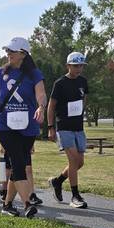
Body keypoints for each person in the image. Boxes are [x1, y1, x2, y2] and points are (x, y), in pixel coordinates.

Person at [0, 37, 46, 218]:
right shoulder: (1, 72)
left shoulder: (34, 74)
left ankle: (7, 205)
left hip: (28, 126)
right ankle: (27, 204)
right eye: (7, 51)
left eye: (12, 51)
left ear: (23, 54)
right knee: (17, 161)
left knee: (18, 164)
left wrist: (41, 107)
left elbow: (41, 94)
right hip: (5, 125)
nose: (8, 54)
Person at [47, 51, 89, 209]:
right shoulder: (60, 83)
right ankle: (75, 196)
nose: (79, 69)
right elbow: (51, 106)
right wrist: (51, 127)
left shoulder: (83, 82)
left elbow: (84, 100)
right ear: (68, 66)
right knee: (73, 161)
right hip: (63, 127)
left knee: (79, 163)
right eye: (75, 66)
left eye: (81, 66)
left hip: (78, 127)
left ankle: (57, 181)